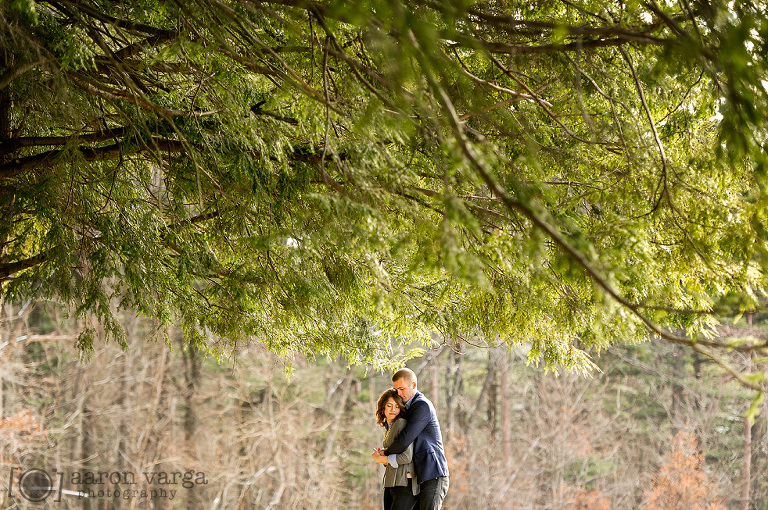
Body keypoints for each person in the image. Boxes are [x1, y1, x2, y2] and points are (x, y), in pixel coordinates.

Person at [372, 368, 449, 510]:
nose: (399, 394)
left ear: (413, 385)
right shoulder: (406, 408)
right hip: (417, 476)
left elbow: (404, 440)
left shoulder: (422, 405)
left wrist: (385, 455)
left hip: (433, 474)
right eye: (396, 390)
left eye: (401, 389)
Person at [373, 389, 420, 510]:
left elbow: (407, 457)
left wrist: (383, 459)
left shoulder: (401, 424)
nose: (393, 410)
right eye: (389, 406)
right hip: (390, 483)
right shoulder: (388, 427)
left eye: (397, 406)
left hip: (404, 484)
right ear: (383, 407)